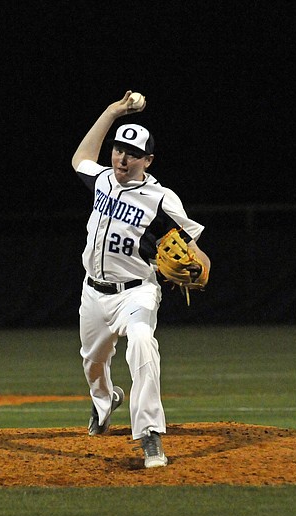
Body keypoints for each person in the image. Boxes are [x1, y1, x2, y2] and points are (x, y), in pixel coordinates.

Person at [71, 91, 211, 468]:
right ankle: (105, 401)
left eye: (132, 153)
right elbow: (80, 158)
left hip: (137, 293)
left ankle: (150, 434)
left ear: (147, 160)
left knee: (141, 342)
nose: (122, 157)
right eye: (118, 149)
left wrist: (199, 266)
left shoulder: (162, 200)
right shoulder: (101, 180)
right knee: (93, 363)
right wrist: (113, 111)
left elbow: (194, 247)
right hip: (94, 292)